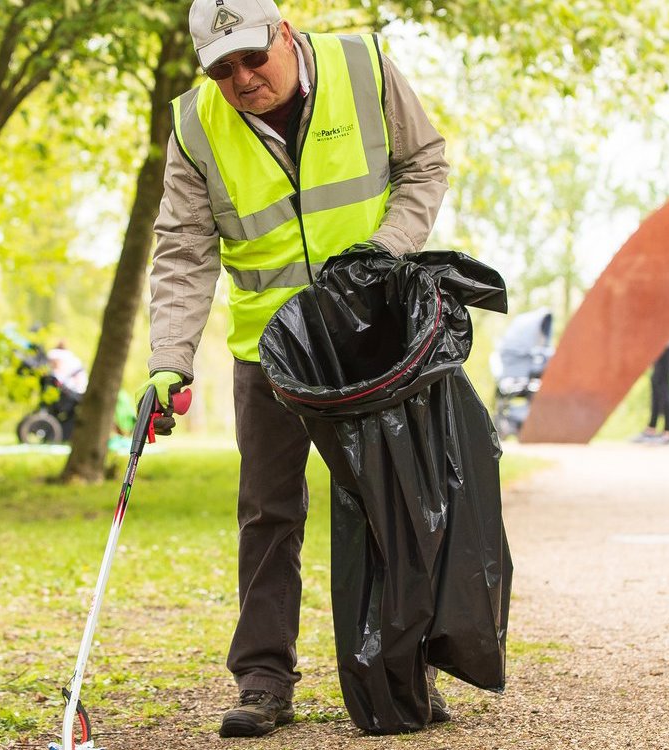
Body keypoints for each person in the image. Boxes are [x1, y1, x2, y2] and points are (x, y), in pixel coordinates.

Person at [135, 0, 449, 738]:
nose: (242, 79)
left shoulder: (363, 67)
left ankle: (400, 673)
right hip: (269, 350)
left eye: (252, 58)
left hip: (371, 338)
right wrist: (168, 361)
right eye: (222, 69)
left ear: (284, 33)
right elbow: (182, 248)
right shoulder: (194, 123)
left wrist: (388, 251)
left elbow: (423, 164)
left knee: (387, 508)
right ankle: (264, 680)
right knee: (268, 514)